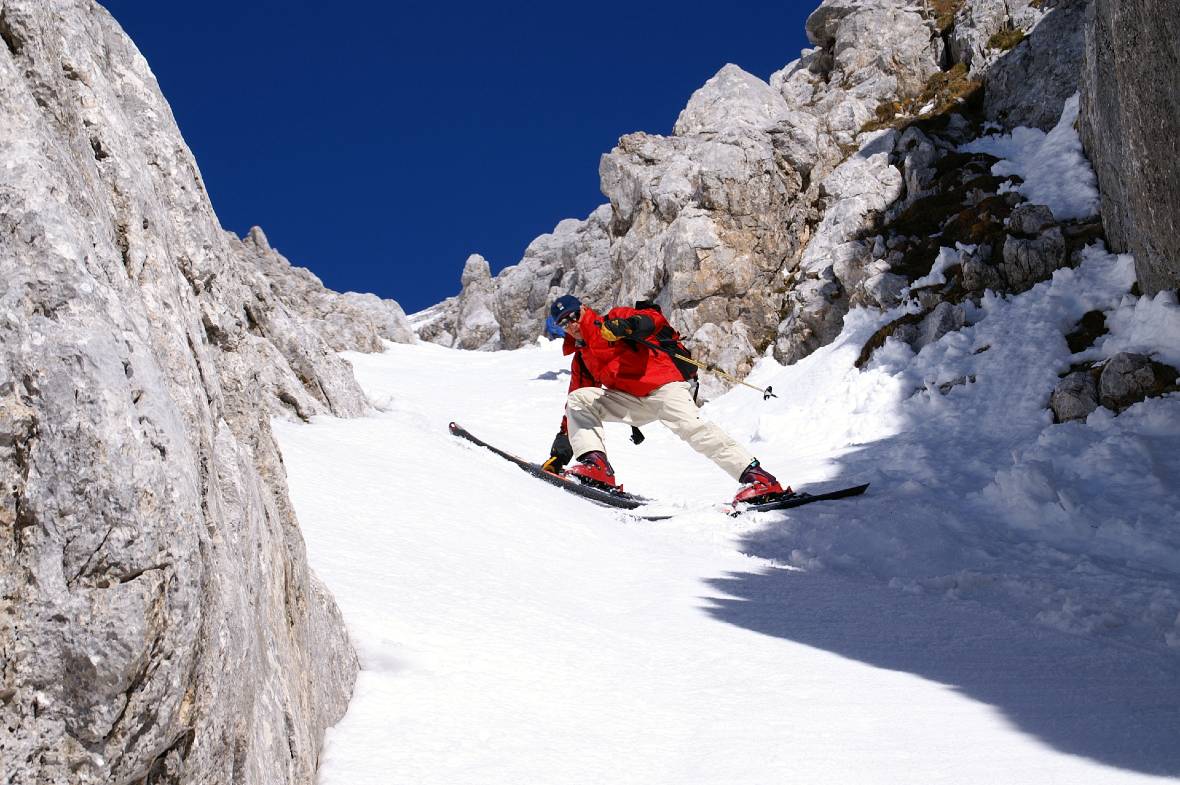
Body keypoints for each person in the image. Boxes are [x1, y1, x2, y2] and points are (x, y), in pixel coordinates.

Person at [540, 294, 787, 505]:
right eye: (564, 322)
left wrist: (628, 325)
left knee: (694, 429)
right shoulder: (582, 358)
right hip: (633, 403)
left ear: (583, 309)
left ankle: (759, 479)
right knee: (578, 399)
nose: (571, 324)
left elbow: (655, 318)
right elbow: (573, 410)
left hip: (664, 387)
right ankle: (595, 466)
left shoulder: (613, 318)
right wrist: (560, 454)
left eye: (573, 316)